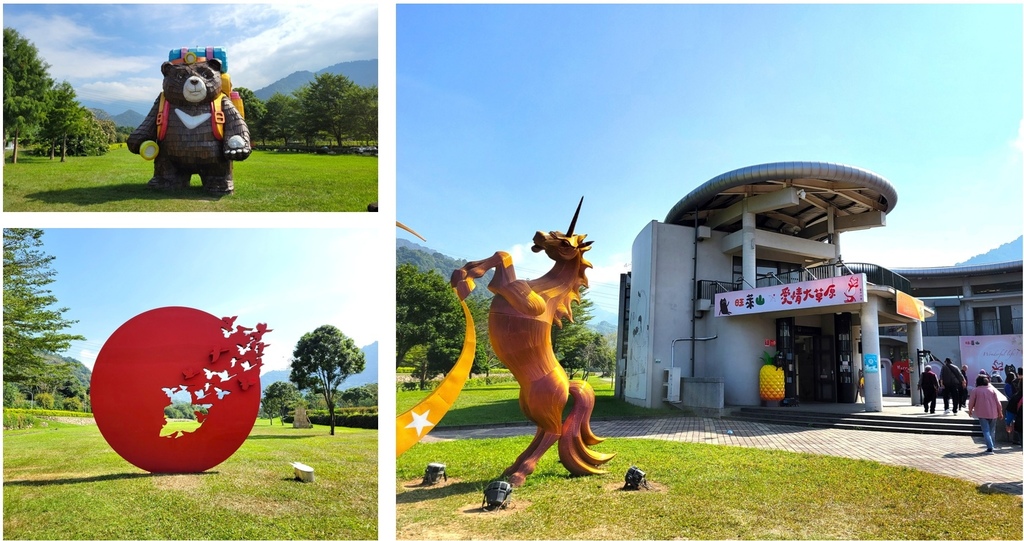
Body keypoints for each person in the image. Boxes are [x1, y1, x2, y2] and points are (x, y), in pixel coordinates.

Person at [968, 374, 1002, 453]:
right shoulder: (992, 390)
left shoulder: (975, 390)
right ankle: (992, 446)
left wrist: (970, 410)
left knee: (986, 431)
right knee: (992, 431)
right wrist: (1000, 412)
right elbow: (998, 402)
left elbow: (971, 402)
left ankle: (990, 448)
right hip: (993, 413)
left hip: (982, 414)